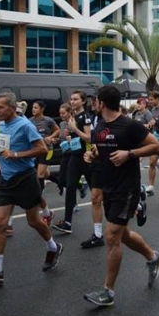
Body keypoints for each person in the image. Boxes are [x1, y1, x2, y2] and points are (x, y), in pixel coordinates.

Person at [82, 85, 159, 308]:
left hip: (126, 188)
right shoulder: (99, 126)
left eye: (95, 101)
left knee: (111, 236)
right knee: (123, 234)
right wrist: (91, 155)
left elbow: (156, 146)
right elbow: (100, 150)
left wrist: (130, 153)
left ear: (101, 103)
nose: (93, 105)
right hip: (108, 186)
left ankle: (108, 292)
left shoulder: (130, 125)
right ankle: (153, 256)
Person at [0, 92, 63, 285]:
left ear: (12, 108)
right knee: (0, 221)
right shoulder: (2, 125)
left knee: (33, 221)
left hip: (25, 179)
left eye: (0, 107)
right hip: (6, 180)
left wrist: (16, 154)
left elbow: (42, 149)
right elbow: (2, 146)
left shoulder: (25, 125)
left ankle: (53, 247)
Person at [53, 91, 105, 251]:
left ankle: (132, 205)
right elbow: (74, 135)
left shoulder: (86, 117)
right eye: (72, 99)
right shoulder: (72, 117)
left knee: (98, 194)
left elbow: (89, 138)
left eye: (76, 99)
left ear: (83, 101)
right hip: (74, 156)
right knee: (69, 186)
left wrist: (75, 129)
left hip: (87, 156)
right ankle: (68, 222)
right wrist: (69, 135)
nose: (72, 101)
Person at [29, 101, 59, 226]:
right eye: (32, 108)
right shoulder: (29, 121)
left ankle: (37, 197)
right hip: (35, 151)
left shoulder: (48, 120)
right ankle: (62, 183)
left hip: (47, 150)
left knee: (40, 175)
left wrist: (50, 137)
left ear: (41, 109)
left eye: (36, 107)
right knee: (46, 174)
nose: (33, 109)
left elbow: (57, 130)